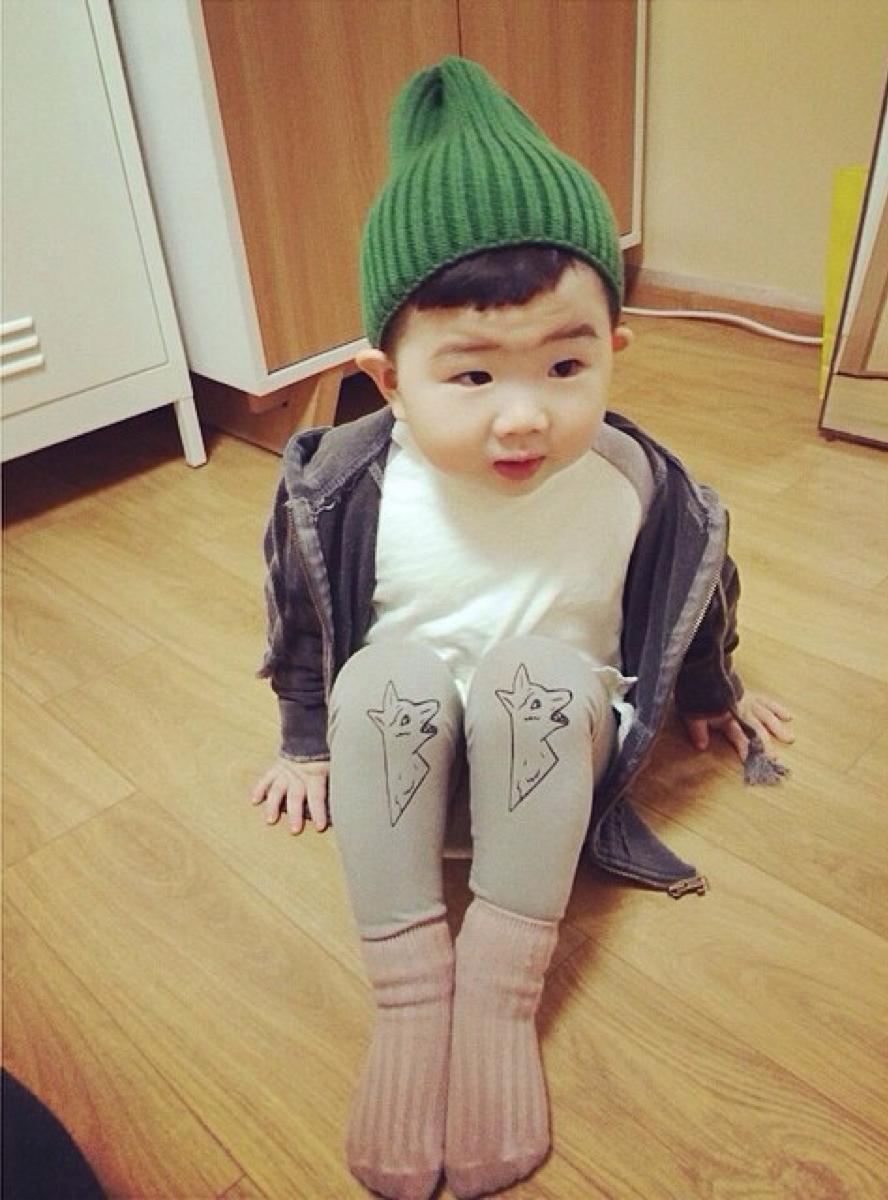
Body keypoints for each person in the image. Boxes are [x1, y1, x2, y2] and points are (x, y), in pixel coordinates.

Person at [251, 57, 793, 1200]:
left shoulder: (640, 485)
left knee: (534, 677)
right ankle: (411, 996)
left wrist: (715, 692)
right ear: (386, 380)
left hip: (548, 767)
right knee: (385, 680)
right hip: (399, 767)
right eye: (471, 376)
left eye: (564, 363)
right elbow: (302, 614)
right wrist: (303, 739)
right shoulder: (343, 487)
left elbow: (699, 584)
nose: (524, 414)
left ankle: (499, 991)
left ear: (615, 349)